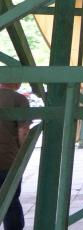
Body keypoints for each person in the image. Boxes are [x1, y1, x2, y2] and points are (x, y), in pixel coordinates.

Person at [0, 82, 30, 230]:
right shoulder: (19, 99)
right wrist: (23, 155)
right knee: (10, 201)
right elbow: (23, 132)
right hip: (8, 159)